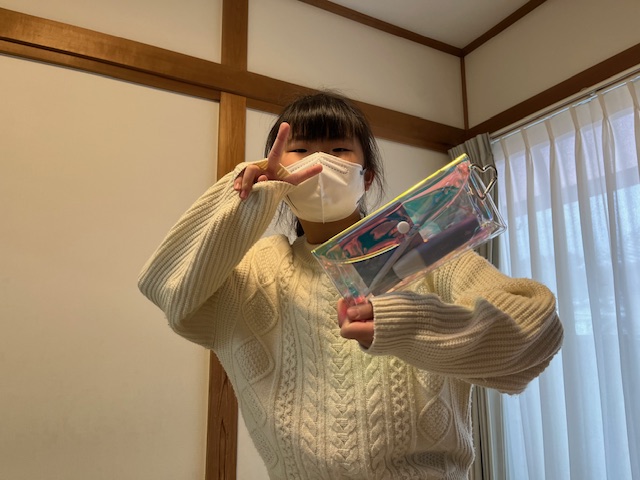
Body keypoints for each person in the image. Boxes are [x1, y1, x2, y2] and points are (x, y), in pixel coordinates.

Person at [138, 92, 563, 479]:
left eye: (338, 150)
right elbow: (167, 288)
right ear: (275, 172)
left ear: (366, 176)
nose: (319, 164)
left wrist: (409, 325)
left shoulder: (428, 249)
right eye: (301, 150)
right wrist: (240, 200)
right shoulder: (260, 268)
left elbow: (537, 333)